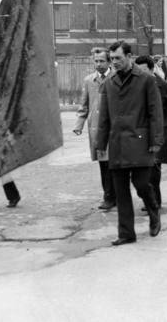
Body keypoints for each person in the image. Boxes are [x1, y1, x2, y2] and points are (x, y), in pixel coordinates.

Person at [96, 41, 163, 246]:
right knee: (121, 191)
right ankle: (126, 233)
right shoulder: (109, 83)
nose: (114, 62)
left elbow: (155, 112)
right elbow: (104, 117)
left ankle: (153, 210)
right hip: (117, 144)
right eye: (112, 59)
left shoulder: (146, 80)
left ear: (129, 56)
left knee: (142, 184)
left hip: (140, 142)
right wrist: (100, 143)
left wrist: (156, 141)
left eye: (118, 58)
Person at [134, 55, 167, 208]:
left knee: (155, 167)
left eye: (144, 70)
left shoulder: (166, 86)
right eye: (138, 70)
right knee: (144, 167)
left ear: (151, 69)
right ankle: (150, 199)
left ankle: (155, 201)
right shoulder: (135, 87)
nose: (141, 74)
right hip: (142, 132)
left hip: (161, 131)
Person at [73, 47, 116, 211]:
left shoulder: (116, 77)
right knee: (104, 165)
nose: (98, 64)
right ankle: (108, 197)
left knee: (116, 164)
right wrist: (79, 125)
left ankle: (117, 196)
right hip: (97, 129)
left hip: (115, 128)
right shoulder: (89, 80)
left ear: (109, 61)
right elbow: (83, 105)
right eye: (96, 61)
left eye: (102, 61)